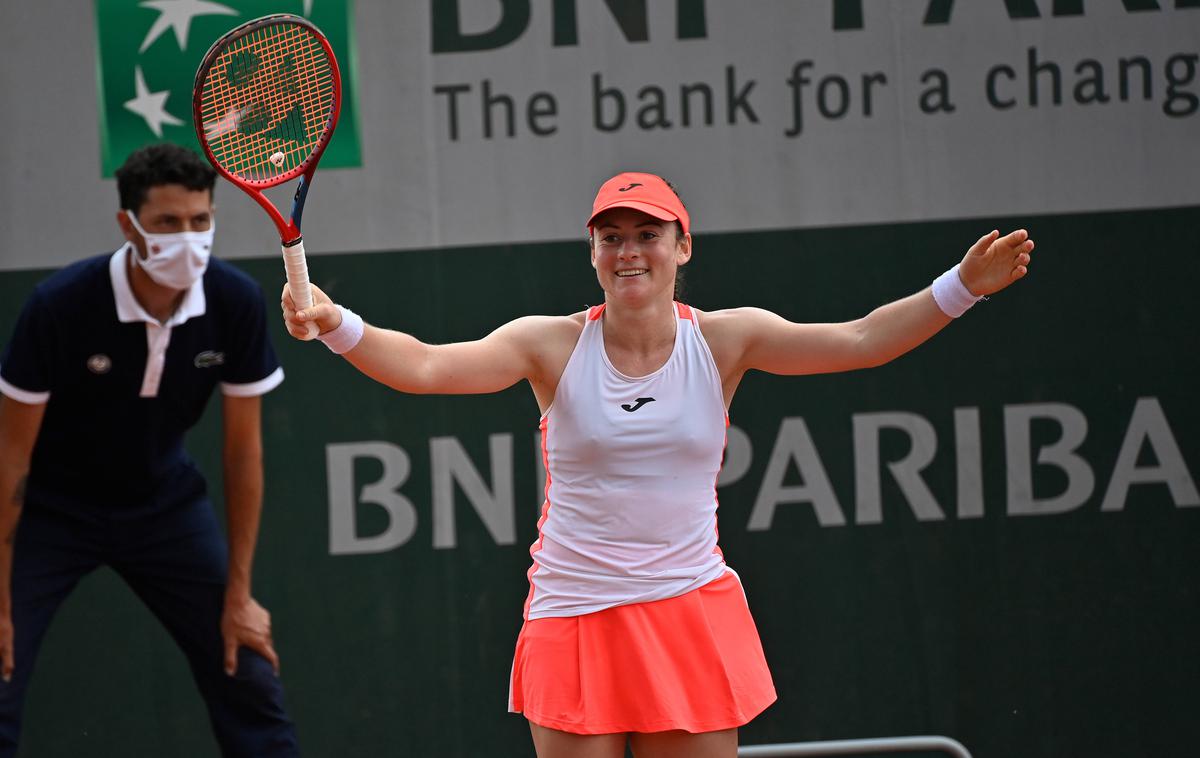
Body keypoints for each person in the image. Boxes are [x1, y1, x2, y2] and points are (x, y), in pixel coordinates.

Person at [280, 172, 1034, 758]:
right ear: (593, 253)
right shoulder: (549, 344)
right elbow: (428, 368)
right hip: (573, 615)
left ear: (683, 245)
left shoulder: (728, 340)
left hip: (688, 607)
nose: (629, 251)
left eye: (648, 233)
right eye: (611, 237)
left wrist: (962, 287)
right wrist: (336, 323)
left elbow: (862, 341)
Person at [0, 143, 299, 756]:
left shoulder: (235, 300)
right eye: (166, 223)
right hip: (48, 512)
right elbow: (11, 458)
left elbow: (244, 453)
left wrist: (238, 596)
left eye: (200, 221)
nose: (186, 238)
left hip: (164, 506)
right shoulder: (58, 307)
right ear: (127, 226)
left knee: (246, 666)